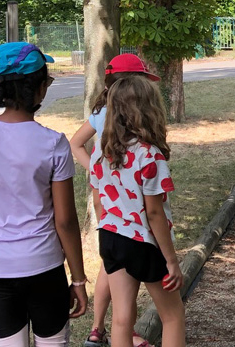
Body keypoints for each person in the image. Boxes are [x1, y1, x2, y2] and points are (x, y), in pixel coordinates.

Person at [0, 41, 90, 347]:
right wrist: (77, 278)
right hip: (43, 265)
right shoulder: (54, 144)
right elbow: (65, 221)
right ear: (38, 88)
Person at [93, 67, 186, 347]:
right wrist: (170, 260)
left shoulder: (103, 153)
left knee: (122, 318)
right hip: (143, 242)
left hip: (110, 237)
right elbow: (154, 213)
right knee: (172, 315)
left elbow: (99, 200)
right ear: (149, 110)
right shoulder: (150, 155)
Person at [73, 53, 160, 347]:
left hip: (110, 208)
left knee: (111, 268)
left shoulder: (102, 113)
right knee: (165, 310)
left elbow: (75, 143)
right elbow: (155, 211)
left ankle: (99, 329)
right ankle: (111, 330)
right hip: (130, 213)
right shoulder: (145, 144)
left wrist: (100, 171)